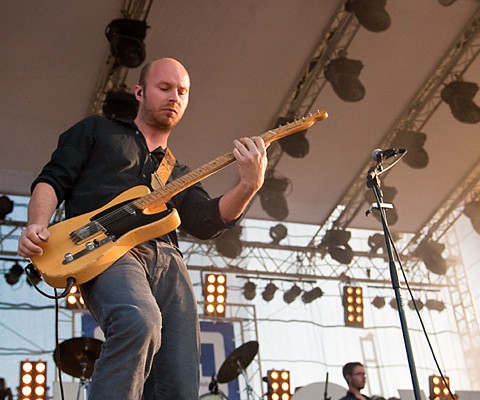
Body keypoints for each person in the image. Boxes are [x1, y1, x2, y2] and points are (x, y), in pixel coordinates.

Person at [17, 58, 268, 399]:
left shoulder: (177, 170)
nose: (174, 97)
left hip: (169, 260)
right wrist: (36, 223)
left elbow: (207, 221)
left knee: (179, 376)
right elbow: (52, 179)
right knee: (138, 321)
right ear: (140, 91)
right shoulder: (97, 131)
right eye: (164, 88)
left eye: (182, 92)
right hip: (104, 251)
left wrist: (249, 185)